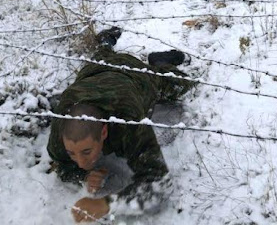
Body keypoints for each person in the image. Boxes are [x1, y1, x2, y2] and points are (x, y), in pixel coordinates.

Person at [47, 28, 194, 222]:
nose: (81, 163)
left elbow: (158, 183)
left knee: (181, 84)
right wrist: (82, 176)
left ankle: (159, 63)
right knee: (101, 57)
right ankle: (105, 43)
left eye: (86, 151)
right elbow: (62, 165)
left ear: (105, 131)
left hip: (135, 75)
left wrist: (106, 203)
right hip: (96, 69)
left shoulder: (127, 120)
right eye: (73, 153)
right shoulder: (61, 128)